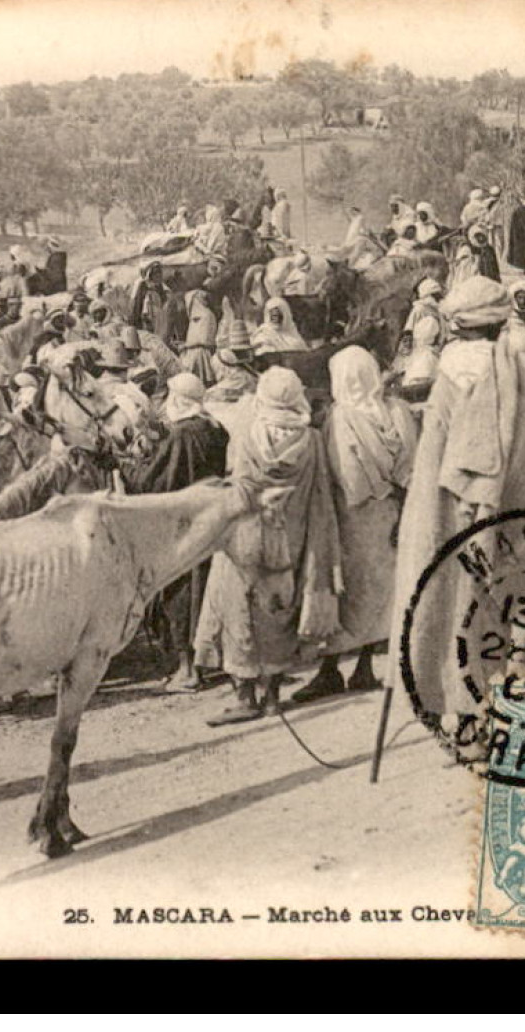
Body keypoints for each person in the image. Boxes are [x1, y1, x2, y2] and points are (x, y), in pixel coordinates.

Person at [386, 276, 525, 749]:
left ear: (457, 326)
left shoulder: (450, 376)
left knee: (455, 614)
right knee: (512, 609)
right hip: (517, 516)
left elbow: (431, 464)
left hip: (449, 522)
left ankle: (467, 720)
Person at [200, 367, 341, 724]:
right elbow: (320, 494)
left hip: (247, 536)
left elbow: (239, 487)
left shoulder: (248, 436)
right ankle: (274, 695)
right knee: (279, 611)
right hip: (290, 540)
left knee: (239, 608)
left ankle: (246, 695)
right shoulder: (311, 440)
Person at [291, 346, 418, 703]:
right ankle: (364, 666)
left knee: (342, 589)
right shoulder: (399, 411)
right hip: (391, 509)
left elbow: (341, 471)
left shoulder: (341, 418)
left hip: (350, 512)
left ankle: (329, 669)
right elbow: (412, 462)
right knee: (381, 591)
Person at [127, 372, 232, 694]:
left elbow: (154, 483)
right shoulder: (214, 427)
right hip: (212, 518)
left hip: (185, 524)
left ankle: (188, 670)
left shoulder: (183, 435)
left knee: (182, 593)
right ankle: (213, 660)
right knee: (210, 590)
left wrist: (128, 464)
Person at [396, 277, 447, 394]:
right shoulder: (419, 309)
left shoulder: (439, 311)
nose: (438, 297)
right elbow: (408, 330)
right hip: (420, 349)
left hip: (433, 350)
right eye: (436, 295)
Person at [177, 290, 220, 384]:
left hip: (203, 351)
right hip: (192, 350)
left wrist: (186, 346)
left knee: (196, 356)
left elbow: (205, 341)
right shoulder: (194, 320)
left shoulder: (207, 316)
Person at [130, 261, 168, 334]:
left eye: (159, 272)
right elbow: (138, 305)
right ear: (150, 274)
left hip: (159, 319)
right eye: (156, 273)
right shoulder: (143, 285)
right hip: (146, 318)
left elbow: (164, 303)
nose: (158, 275)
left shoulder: (161, 287)